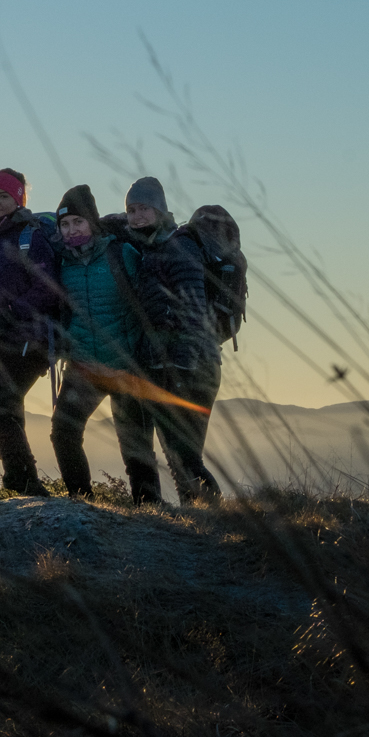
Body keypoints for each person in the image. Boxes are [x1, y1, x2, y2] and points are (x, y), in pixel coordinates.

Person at [118, 176, 222, 504]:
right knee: (180, 455)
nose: (137, 216)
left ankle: (216, 515)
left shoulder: (179, 246)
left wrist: (180, 363)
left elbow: (193, 310)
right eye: (131, 210)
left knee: (185, 455)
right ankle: (200, 515)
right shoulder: (150, 246)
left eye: (144, 209)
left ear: (160, 210)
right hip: (171, 364)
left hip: (192, 365)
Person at [0, 168, 64, 497]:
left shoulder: (29, 236)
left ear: (18, 200)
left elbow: (48, 287)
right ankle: (23, 481)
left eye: (3, 196)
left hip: (28, 338)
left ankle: (23, 480)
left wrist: (12, 312)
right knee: (6, 410)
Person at [47, 184, 144, 498]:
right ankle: (81, 499)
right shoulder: (62, 263)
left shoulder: (122, 254)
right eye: (65, 224)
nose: (72, 230)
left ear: (93, 222)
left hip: (125, 364)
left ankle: (149, 507)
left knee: (135, 445)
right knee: (63, 431)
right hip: (83, 364)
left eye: (78, 222)